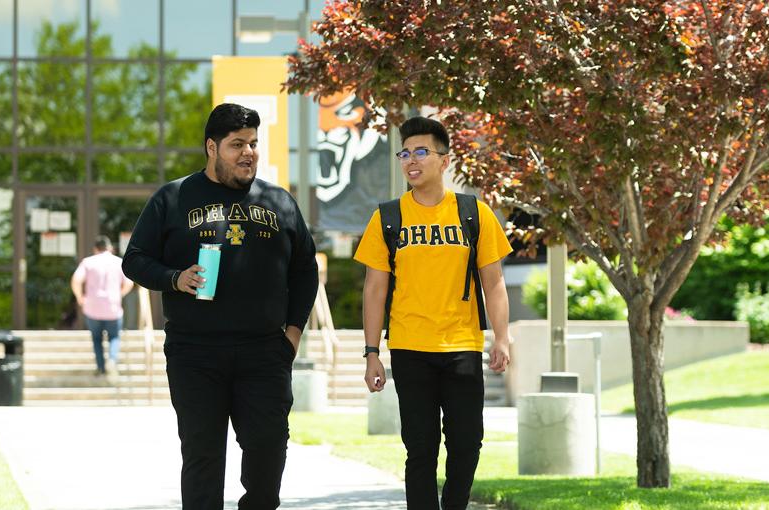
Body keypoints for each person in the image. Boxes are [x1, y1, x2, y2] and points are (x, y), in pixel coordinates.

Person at [122, 103, 318, 510]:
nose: (248, 153)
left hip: (265, 352)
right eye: (236, 145)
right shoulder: (173, 197)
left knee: (267, 456)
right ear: (211, 147)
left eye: (253, 144)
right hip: (195, 352)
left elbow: (305, 271)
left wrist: (292, 336)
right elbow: (135, 259)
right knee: (203, 459)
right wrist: (175, 278)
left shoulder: (278, 201)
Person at [355, 116, 514, 510]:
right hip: (410, 348)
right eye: (405, 152)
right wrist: (371, 352)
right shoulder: (388, 217)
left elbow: (493, 282)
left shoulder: (473, 213)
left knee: (466, 443)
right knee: (420, 449)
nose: (412, 159)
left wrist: (502, 336)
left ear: (444, 161)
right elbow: (375, 288)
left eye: (422, 151)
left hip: (461, 345)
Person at [71, 235, 134, 379]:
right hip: (113, 307)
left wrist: (80, 297)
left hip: (92, 307)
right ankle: (112, 360)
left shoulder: (88, 262)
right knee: (114, 337)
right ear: (110, 248)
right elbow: (129, 282)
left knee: (96, 338)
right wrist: (120, 294)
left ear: (95, 249)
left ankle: (100, 368)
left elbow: (76, 280)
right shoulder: (118, 262)